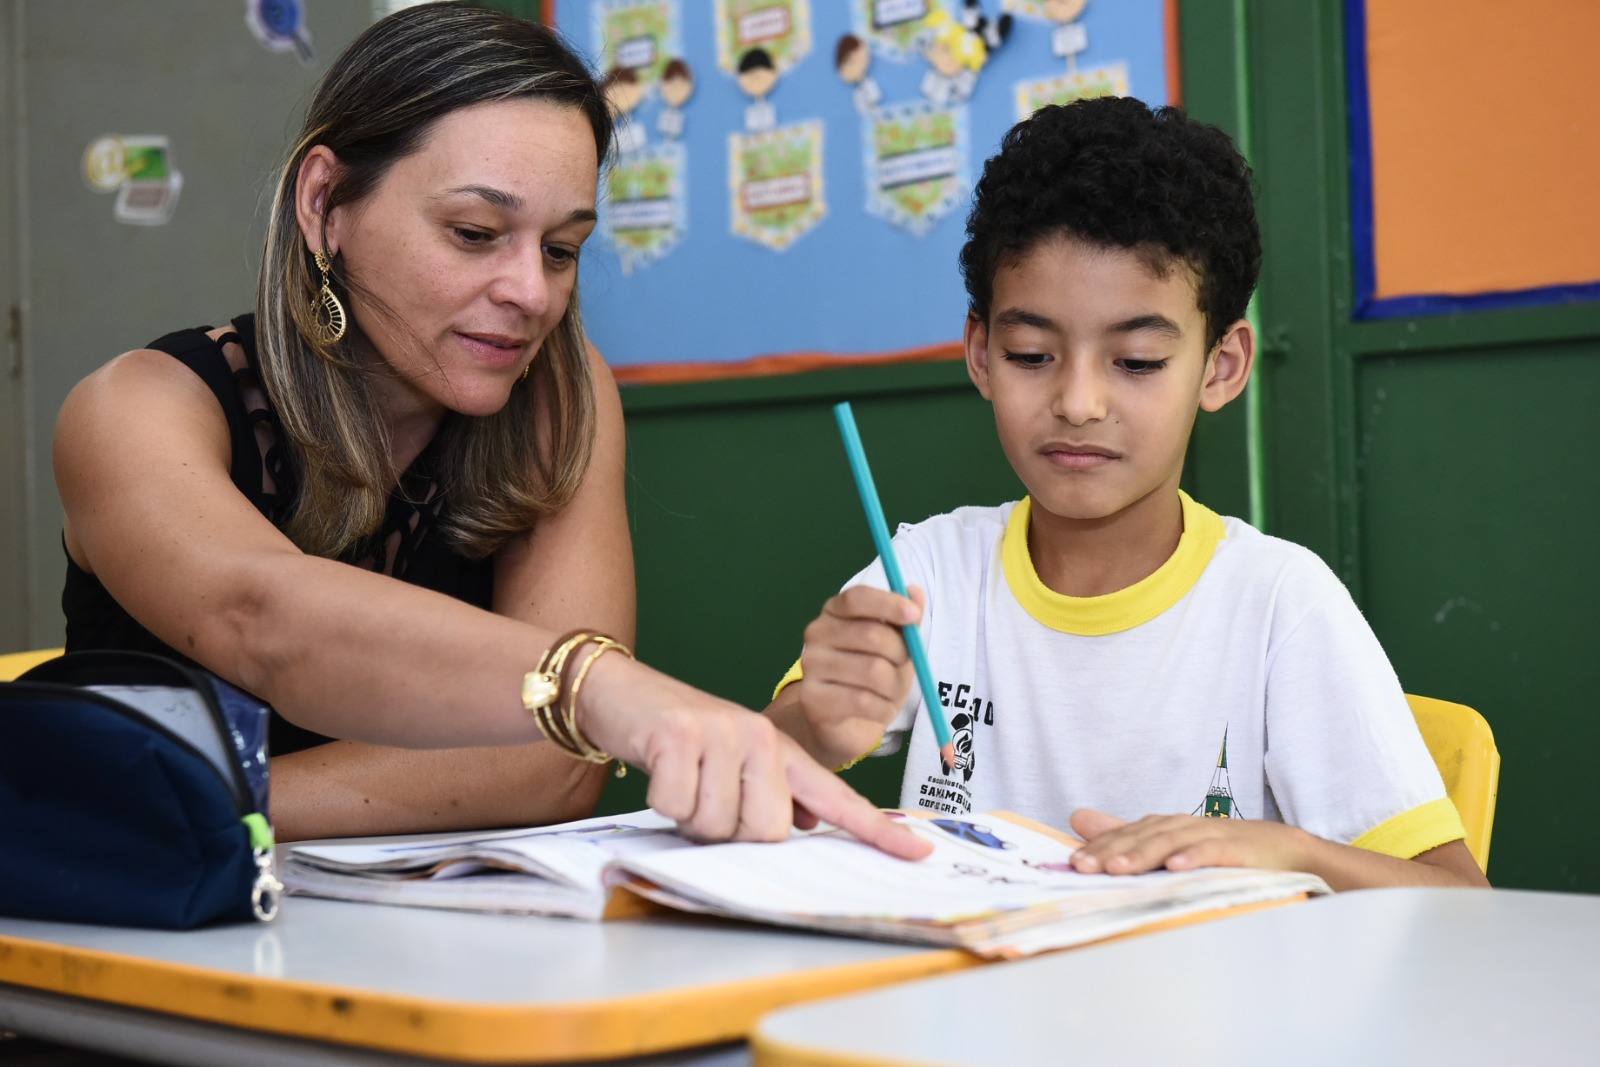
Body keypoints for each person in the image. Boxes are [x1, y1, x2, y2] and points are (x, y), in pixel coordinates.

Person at [54, 2, 926, 862]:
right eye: (475, 233)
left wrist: (203, 797)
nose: (533, 293)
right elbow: (266, 619)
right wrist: (594, 683)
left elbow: (551, 766)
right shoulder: (137, 409)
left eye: (561, 248)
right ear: (325, 203)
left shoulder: (561, 392)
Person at [763, 96, 1488, 890]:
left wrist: (1293, 852)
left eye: (1137, 361)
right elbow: (762, 773)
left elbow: (1461, 902)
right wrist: (816, 727)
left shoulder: (1280, 603)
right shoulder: (930, 570)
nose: (1077, 401)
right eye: (1031, 353)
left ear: (1221, 366)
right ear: (979, 352)